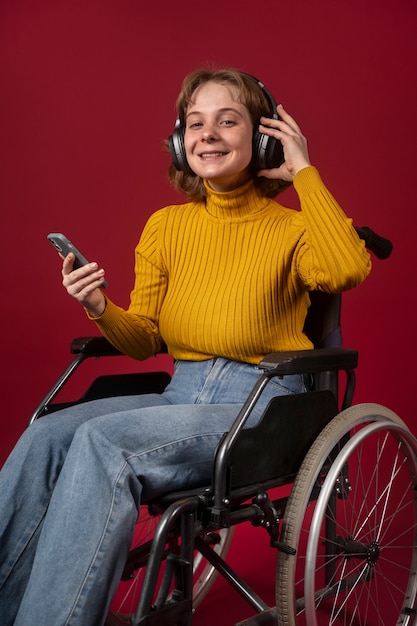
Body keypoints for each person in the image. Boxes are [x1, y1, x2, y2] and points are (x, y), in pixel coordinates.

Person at [0, 68, 371, 625]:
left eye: (228, 121)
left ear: (263, 137)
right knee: (48, 435)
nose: (208, 135)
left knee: (103, 444)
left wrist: (305, 172)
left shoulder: (294, 230)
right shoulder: (165, 228)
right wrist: (100, 307)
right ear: (180, 142)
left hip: (260, 406)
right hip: (184, 395)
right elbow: (146, 338)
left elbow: (348, 266)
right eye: (195, 124)